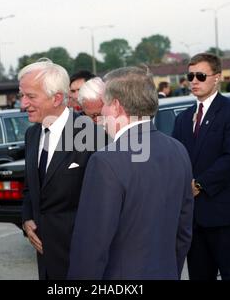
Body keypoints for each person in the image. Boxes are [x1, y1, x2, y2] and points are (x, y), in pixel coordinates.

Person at [67, 67, 194, 280]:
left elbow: (91, 247)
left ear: (116, 106)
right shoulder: (178, 150)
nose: (101, 115)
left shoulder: (105, 162)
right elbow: (183, 233)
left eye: (105, 105)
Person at [19, 59, 105, 280]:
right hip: (45, 262)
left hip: (82, 261)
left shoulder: (93, 136)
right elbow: (31, 189)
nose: (23, 104)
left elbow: (104, 202)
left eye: (30, 96)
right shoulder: (32, 135)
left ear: (57, 98)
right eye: (22, 95)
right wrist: (27, 219)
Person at [172, 53, 230, 280]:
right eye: (190, 76)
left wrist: (199, 184)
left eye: (200, 75)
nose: (194, 81)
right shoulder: (183, 118)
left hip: (226, 216)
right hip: (193, 219)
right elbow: (178, 158)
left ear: (217, 77)